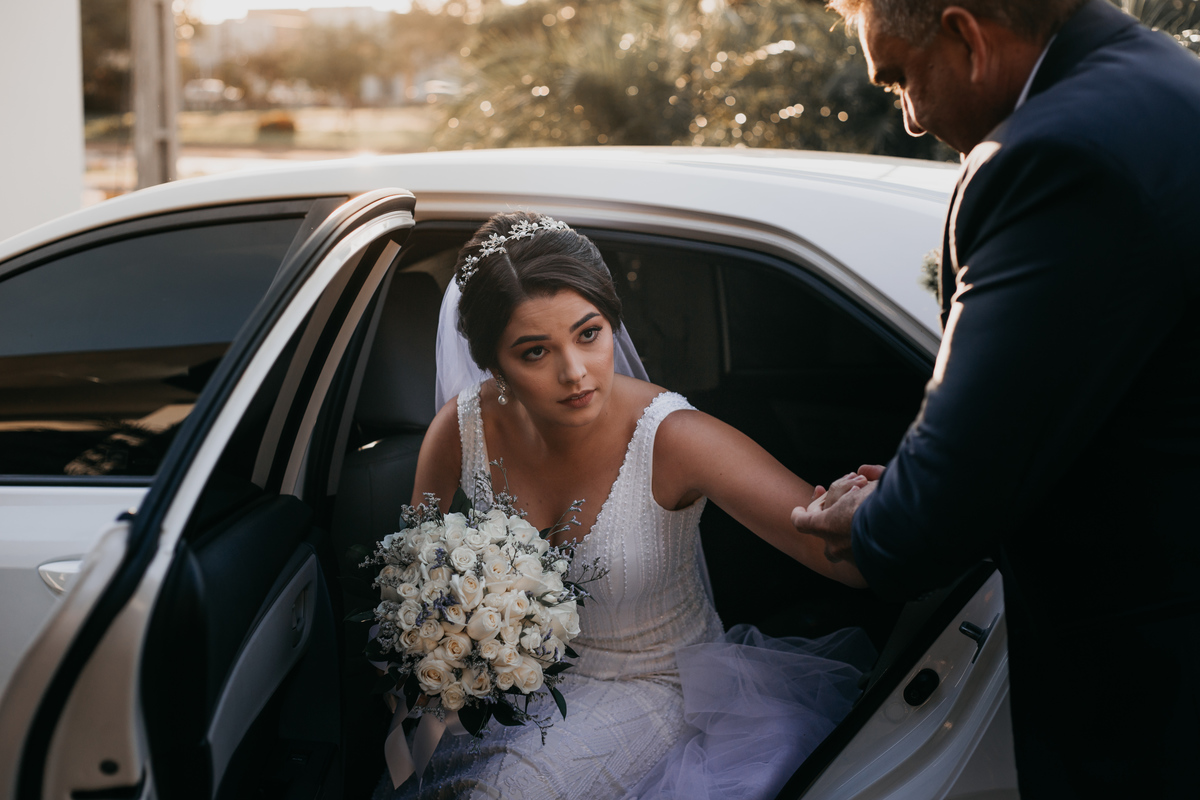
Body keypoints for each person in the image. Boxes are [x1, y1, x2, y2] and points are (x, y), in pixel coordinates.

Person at [793, 1, 1200, 797]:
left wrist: (875, 518)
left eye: (903, 77)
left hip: (1154, 692)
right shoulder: (1163, 81)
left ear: (967, 37)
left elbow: (937, 505)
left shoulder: (1051, 156)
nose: (908, 118)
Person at [376, 211, 876, 799]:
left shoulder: (673, 436)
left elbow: (842, 554)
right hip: (522, 688)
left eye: (589, 334)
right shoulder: (461, 429)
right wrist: (446, 657)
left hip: (660, 681)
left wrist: (879, 509)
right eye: (535, 352)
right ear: (493, 363)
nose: (575, 372)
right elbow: (415, 584)